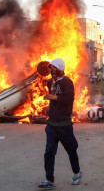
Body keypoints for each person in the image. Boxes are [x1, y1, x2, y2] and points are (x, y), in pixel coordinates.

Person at [39, 58, 81, 189]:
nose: (52, 70)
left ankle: (77, 172)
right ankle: (49, 180)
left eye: (54, 68)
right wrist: (49, 108)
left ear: (61, 69)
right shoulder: (50, 82)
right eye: (51, 68)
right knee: (49, 152)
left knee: (71, 149)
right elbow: (52, 100)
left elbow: (69, 99)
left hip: (64, 124)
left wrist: (54, 97)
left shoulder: (67, 82)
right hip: (52, 124)